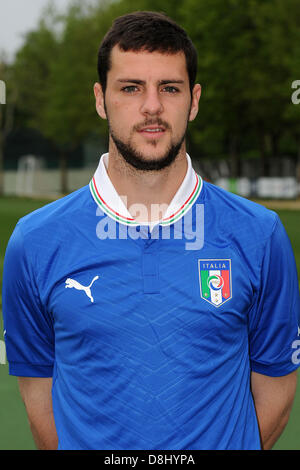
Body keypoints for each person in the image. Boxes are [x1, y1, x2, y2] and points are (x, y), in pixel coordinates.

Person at [2, 11, 300, 451]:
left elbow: (276, 388)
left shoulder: (259, 234)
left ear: (194, 100)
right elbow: (38, 392)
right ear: (101, 99)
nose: (152, 107)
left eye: (170, 88)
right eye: (131, 88)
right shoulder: (34, 242)